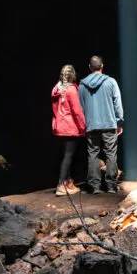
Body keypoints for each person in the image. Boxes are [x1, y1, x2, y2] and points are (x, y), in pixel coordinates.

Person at [78, 55, 123, 194]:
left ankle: (95, 186)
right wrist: (119, 121)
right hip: (109, 124)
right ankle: (111, 186)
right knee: (111, 154)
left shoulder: (82, 85)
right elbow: (117, 103)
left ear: (90, 67)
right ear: (102, 66)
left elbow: (81, 107)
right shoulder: (111, 82)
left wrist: (83, 125)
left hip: (91, 125)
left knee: (93, 154)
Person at [51, 64, 86, 196]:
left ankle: (68, 183)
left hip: (60, 126)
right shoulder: (71, 90)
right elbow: (77, 111)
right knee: (68, 155)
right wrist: (83, 127)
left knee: (67, 155)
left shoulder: (56, 89)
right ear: (72, 75)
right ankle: (61, 185)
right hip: (70, 126)